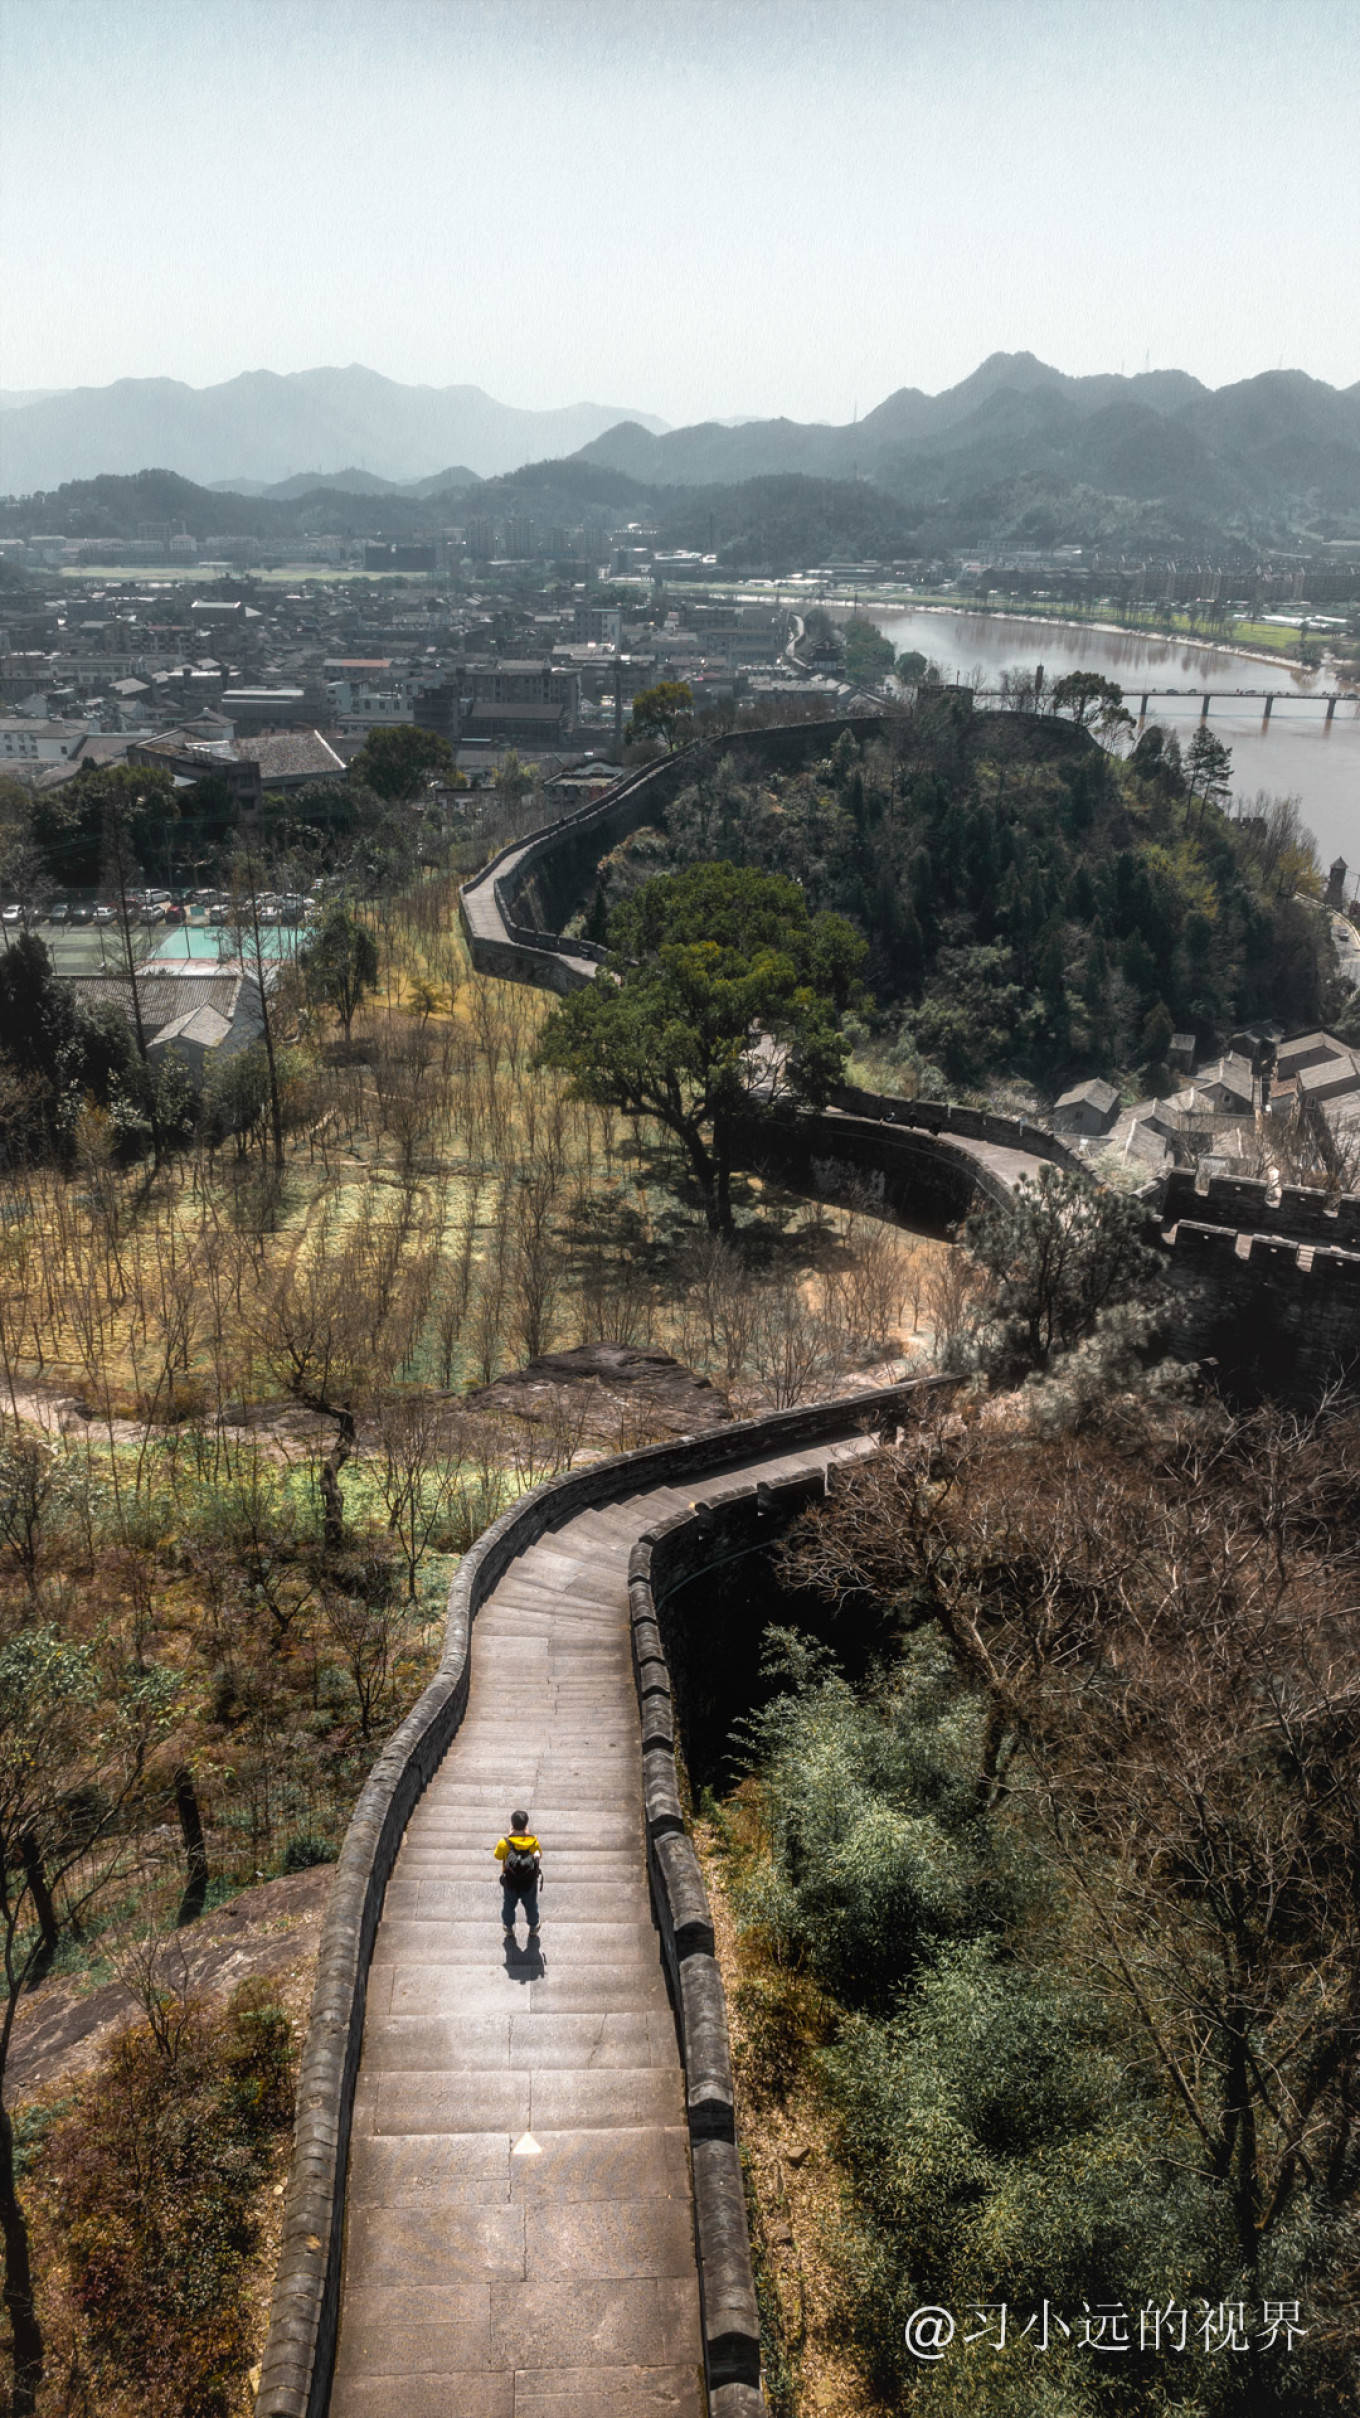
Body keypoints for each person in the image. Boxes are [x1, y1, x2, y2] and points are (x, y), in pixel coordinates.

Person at [494, 1808, 541, 1941]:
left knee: (508, 1904)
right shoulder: (533, 1842)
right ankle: (533, 1927)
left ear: (511, 1824)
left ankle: (508, 1927)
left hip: (510, 1881)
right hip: (529, 1882)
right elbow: (539, 1855)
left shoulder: (505, 1842)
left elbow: (497, 1856)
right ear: (526, 1826)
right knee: (531, 1905)